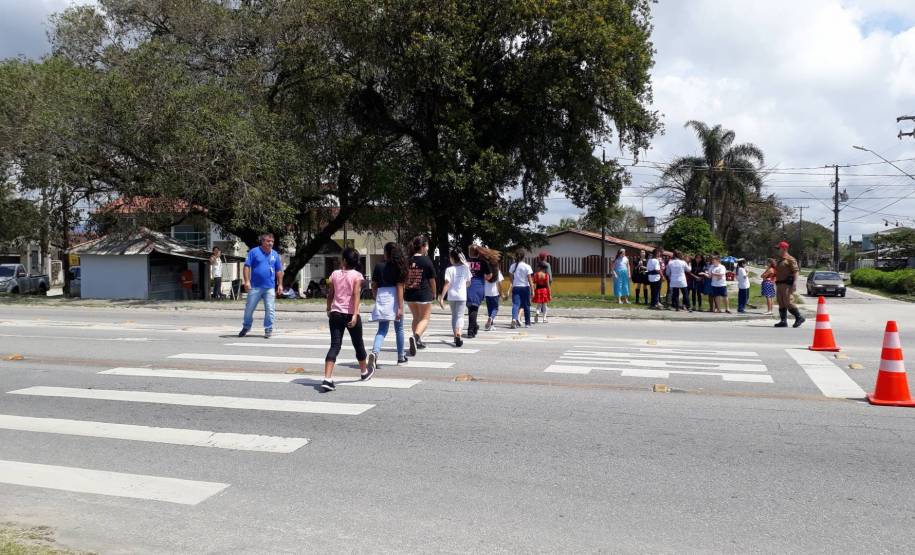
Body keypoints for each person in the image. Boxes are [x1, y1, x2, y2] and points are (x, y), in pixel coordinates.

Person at [321, 248, 369, 391]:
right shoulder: (357, 275)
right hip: (350, 314)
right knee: (358, 344)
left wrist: (329, 309)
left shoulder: (335, 274)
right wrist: (355, 315)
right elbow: (356, 295)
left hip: (335, 313)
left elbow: (331, 294)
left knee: (335, 345)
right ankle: (364, 372)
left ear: (345, 261)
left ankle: (327, 378)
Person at [368, 242, 408, 372]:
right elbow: (400, 287)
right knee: (399, 329)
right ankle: (401, 357)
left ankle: (375, 353)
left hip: (382, 297)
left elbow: (373, 285)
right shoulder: (399, 267)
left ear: (386, 253)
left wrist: (376, 296)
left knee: (382, 330)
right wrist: (400, 307)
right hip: (395, 298)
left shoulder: (379, 266)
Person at [239, 233, 284, 338]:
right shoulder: (254, 252)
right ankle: (246, 326)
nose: (270, 243)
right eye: (268, 241)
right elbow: (246, 266)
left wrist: (280, 284)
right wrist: (247, 281)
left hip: (269, 287)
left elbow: (279, 270)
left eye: (272, 241)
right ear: (263, 241)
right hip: (255, 286)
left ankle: (268, 328)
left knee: (270, 308)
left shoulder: (275, 254)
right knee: (249, 308)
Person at [404, 235, 437, 355]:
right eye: (427, 245)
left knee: (416, 318)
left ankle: (417, 341)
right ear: (423, 247)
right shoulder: (426, 260)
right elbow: (432, 280)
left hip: (409, 294)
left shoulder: (409, 260)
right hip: (423, 293)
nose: (428, 248)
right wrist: (434, 292)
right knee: (425, 318)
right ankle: (416, 337)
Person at [438, 247, 471, 347]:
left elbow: (447, 284)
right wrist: (462, 286)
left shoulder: (449, 269)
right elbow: (469, 283)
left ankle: (455, 335)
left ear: (452, 258)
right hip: (462, 296)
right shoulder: (466, 268)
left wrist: (442, 297)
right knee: (460, 316)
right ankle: (458, 334)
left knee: (454, 316)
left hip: (452, 296)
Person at [773, 241, 806, 328]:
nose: (777, 250)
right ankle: (783, 321)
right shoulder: (779, 259)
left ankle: (799, 317)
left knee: (788, 302)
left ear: (784, 249)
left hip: (787, 284)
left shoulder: (790, 259)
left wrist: (795, 283)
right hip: (779, 284)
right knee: (781, 302)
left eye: (779, 248)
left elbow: (796, 271)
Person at [466, 245, 495, 338]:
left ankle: (472, 328)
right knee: (474, 308)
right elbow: (490, 275)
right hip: (478, 285)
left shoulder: (465, 261)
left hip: (467, 285)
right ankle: (472, 328)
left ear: (470, 252)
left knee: (471, 308)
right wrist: (484, 278)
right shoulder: (483, 262)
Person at [509, 250, 534, 328]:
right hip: (525, 288)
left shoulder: (513, 266)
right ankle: (527, 323)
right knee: (526, 305)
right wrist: (533, 290)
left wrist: (513, 283)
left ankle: (514, 319)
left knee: (515, 304)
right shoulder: (527, 266)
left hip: (516, 287)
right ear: (524, 257)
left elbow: (510, 277)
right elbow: (530, 279)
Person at [484, 266, 507, 331]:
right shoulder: (497, 271)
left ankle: (491, 325)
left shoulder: (486, 270)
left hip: (487, 292)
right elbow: (499, 283)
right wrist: (501, 294)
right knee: (495, 308)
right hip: (494, 292)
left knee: (489, 309)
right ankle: (491, 318)